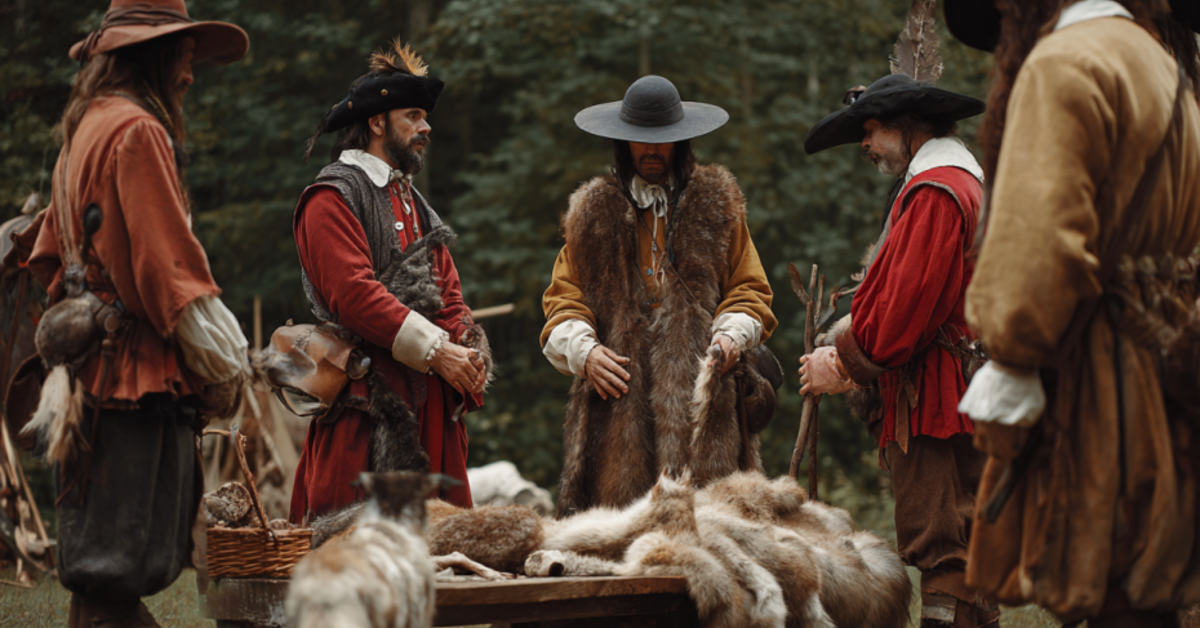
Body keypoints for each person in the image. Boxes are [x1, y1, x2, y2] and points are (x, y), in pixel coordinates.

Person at [944, 0, 1200, 624]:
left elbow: (1036, 252)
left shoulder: (1063, 63)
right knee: (1149, 588)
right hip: (1170, 370)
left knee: (1118, 588)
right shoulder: (1163, 65)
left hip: (1107, 383)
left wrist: (1011, 351)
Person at [17, 1, 251, 626]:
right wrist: (222, 370)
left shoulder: (84, 129)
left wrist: (90, 312)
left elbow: (44, 260)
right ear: (153, 53)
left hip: (92, 379)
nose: (190, 75)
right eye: (184, 56)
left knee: (101, 584)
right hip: (131, 384)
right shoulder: (137, 132)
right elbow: (169, 273)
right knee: (110, 583)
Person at [797, 2, 997, 624]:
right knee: (961, 543)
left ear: (910, 124)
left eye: (872, 127)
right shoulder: (950, 183)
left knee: (946, 544)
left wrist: (849, 363)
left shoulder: (938, 191)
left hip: (940, 398)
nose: (864, 142)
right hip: (954, 390)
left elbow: (908, 307)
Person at [542, 75, 779, 517]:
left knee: (711, 532)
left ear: (682, 141)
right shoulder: (593, 214)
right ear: (622, 143)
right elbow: (563, 300)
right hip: (617, 407)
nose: (652, 151)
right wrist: (586, 351)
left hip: (700, 400)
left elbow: (750, 290)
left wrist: (728, 338)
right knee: (616, 537)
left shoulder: (716, 206)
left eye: (662, 141)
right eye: (641, 141)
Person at [289, 38, 490, 523]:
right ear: (377, 123)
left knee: (445, 557)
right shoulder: (331, 197)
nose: (426, 128)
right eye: (414, 116)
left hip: (431, 407)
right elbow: (354, 295)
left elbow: (450, 294)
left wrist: (466, 347)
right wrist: (439, 352)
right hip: (366, 404)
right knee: (352, 557)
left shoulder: (418, 204)